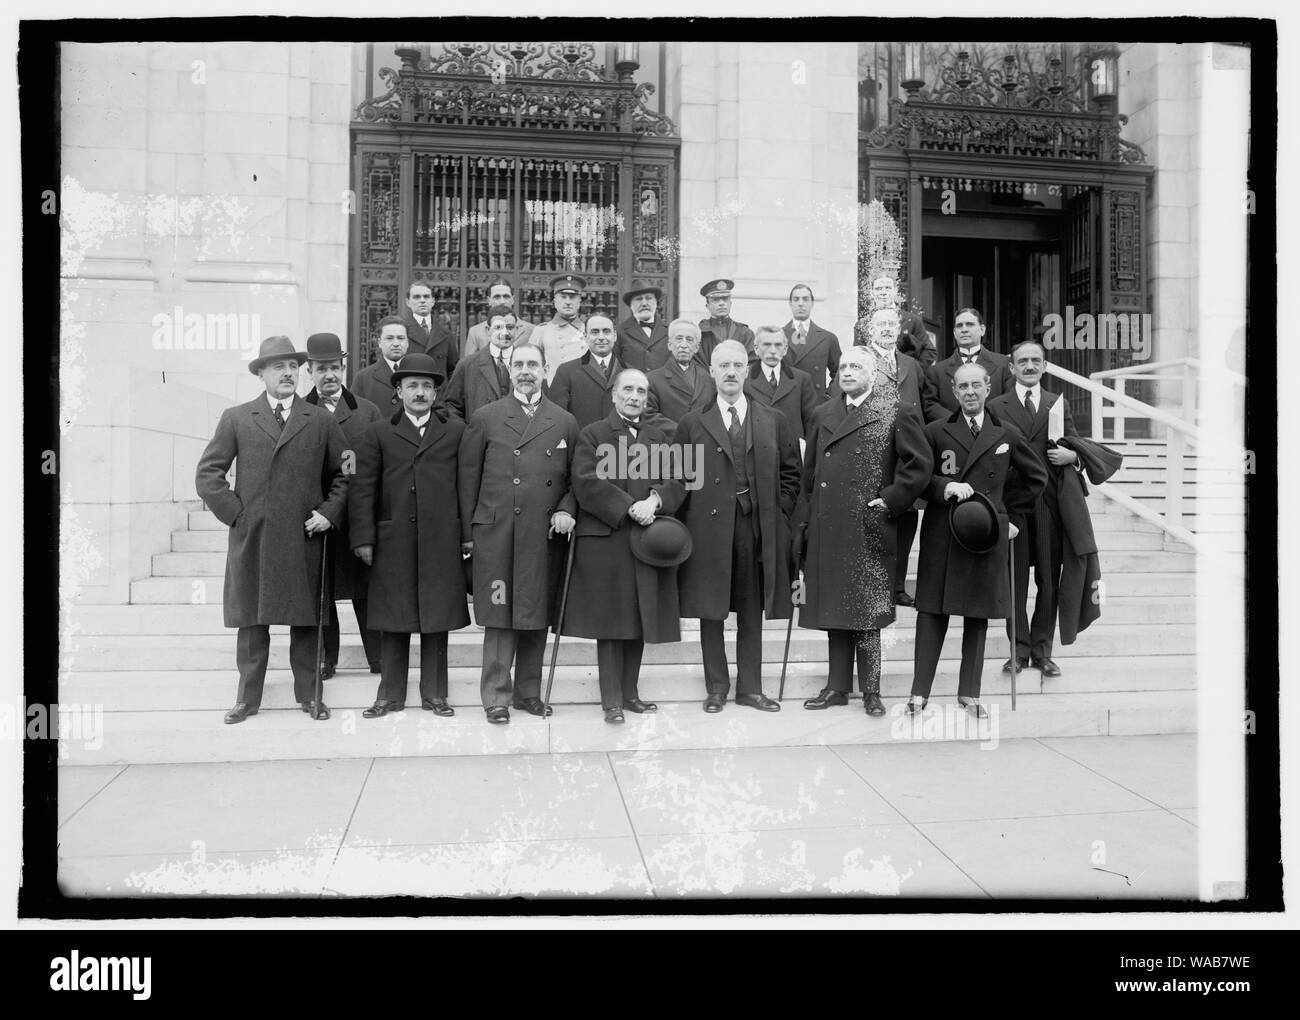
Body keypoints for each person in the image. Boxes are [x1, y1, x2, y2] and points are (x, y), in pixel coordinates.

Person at [195, 335, 349, 724]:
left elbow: (347, 472)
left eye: (293, 366)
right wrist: (237, 514)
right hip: (255, 537)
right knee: (251, 624)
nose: (288, 373)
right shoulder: (237, 417)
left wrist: (329, 512)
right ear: (261, 373)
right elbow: (208, 474)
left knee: (306, 622)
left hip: (303, 537)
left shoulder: (321, 419)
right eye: (278, 366)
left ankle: (311, 696)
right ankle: (247, 700)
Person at [794, 347, 931, 714]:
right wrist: (805, 522)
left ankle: (871, 691)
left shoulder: (894, 411)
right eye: (843, 367)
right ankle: (836, 687)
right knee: (834, 610)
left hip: (869, 525)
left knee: (866, 613)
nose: (847, 372)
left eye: (856, 366)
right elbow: (809, 476)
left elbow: (919, 466)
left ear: (873, 374)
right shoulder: (823, 413)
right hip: (828, 525)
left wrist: (890, 500)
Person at [908, 362, 1047, 718]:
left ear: (988, 388)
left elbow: (1035, 478)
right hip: (943, 532)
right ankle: (918, 693)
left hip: (985, 536)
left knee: (977, 615)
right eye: (962, 386)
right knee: (931, 612)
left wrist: (1012, 519)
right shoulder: (936, 430)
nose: (970, 392)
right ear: (954, 392)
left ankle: (969, 693)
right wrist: (943, 486)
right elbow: (915, 477)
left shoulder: (1006, 434)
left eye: (976, 385)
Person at [674, 340, 802, 713]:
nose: (731, 372)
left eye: (737, 365)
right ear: (711, 372)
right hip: (708, 530)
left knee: (750, 609)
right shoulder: (692, 422)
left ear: (748, 370)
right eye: (723, 366)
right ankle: (716, 687)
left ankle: (750, 688)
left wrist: (776, 511)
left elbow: (792, 474)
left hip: (756, 526)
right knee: (710, 609)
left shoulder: (773, 420)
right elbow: (680, 477)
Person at [458, 341, 580, 724]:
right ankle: (496, 696)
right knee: (499, 615)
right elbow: (467, 478)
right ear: (510, 371)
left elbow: (578, 480)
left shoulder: (564, 421)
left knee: (534, 612)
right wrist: (467, 534)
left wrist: (565, 509)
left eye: (533, 364)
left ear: (545, 370)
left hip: (542, 533)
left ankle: (529, 692)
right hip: (497, 532)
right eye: (519, 364)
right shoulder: (486, 416)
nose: (526, 371)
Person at [349, 353, 469, 718]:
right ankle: (389, 694)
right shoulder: (378, 433)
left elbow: (465, 485)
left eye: (427, 387)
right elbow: (362, 488)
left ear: (436, 394)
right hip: (393, 539)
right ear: (398, 391)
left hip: (441, 539)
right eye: (412, 386)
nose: (419, 393)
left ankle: (435, 693)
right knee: (393, 618)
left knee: (437, 618)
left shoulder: (455, 432)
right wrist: (364, 538)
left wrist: (466, 536)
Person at [563, 369, 686, 723]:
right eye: (628, 389)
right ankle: (611, 700)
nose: (634, 396)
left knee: (639, 618)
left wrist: (655, 501)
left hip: (648, 539)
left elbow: (679, 480)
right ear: (614, 395)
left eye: (641, 391)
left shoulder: (660, 437)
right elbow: (585, 482)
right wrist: (628, 505)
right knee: (612, 623)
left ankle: (631, 693)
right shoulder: (593, 434)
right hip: (608, 539)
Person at [987, 340, 1081, 678]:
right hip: (1013, 504)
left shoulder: (1057, 405)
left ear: (1045, 366)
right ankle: (1018, 650)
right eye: (1022, 361)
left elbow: (1073, 443)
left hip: (1049, 504)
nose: (1029, 366)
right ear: (1011, 367)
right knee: (1015, 581)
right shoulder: (996, 405)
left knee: (1048, 580)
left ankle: (1043, 651)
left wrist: (1073, 456)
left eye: (1035, 361)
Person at [303, 332, 384, 678]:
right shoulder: (300, 410)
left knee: (365, 591)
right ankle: (326, 658)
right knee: (321, 592)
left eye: (334, 367)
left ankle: (378, 657)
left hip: (357, 517)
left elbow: (378, 465)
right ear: (310, 370)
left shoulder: (367, 411)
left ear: (344, 367)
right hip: (315, 515)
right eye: (321, 369)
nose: (329, 375)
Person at [840, 308, 926, 607]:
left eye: (892, 324)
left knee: (907, 519)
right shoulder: (859, 361)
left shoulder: (912, 365)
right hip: (874, 452)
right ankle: (873, 584)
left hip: (908, 451)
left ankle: (898, 586)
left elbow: (925, 404)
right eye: (881, 324)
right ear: (870, 329)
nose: (887, 329)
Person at [921, 307, 1014, 422]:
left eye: (970, 324)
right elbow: (930, 405)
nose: (964, 329)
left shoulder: (1004, 365)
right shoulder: (936, 372)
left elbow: (1010, 402)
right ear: (955, 333)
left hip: (993, 434)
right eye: (959, 326)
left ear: (982, 330)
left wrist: (985, 425)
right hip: (952, 434)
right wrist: (958, 423)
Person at [743, 325, 819, 443]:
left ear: (785, 349)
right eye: (767, 345)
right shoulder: (744, 379)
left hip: (792, 453)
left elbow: (812, 423)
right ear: (756, 348)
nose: (773, 351)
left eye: (778, 345)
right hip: (757, 453)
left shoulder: (802, 379)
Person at [548, 314, 623, 428]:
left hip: (621, 444)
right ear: (585, 336)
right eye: (595, 332)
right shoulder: (566, 371)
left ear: (615, 336)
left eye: (606, 331)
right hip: (582, 443)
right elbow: (556, 418)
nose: (601, 337)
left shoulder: (630, 372)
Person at [444, 311, 518, 422]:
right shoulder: (467, 365)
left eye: (510, 327)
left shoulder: (529, 363)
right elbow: (451, 405)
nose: (505, 333)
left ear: (516, 329)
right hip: (480, 436)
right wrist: (467, 433)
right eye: (498, 327)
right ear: (488, 331)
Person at [645, 318, 716, 433]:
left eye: (689, 339)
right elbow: (648, 415)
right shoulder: (652, 379)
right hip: (668, 446)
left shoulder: (708, 379)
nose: (684, 345)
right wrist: (680, 432)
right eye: (679, 339)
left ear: (697, 347)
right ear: (669, 344)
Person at [782, 283, 841, 401]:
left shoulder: (828, 338)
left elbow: (840, 372)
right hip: (787, 405)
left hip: (816, 405)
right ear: (790, 304)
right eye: (796, 299)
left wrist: (828, 396)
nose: (800, 303)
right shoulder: (778, 337)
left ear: (812, 304)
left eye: (805, 299)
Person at [869, 272, 936, 367]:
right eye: (878, 288)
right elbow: (859, 354)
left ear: (895, 290)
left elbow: (929, 352)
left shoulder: (913, 321)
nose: (883, 292)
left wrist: (911, 371)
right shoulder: (862, 324)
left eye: (888, 288)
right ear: (872, 292)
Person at [533, 274, 588, 383]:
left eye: (572, 297)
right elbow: (532, 363)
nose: (568, 302)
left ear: (579, 302)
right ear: (554, 302)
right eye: (563, 297)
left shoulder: (589, 330)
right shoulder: (541, 331)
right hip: (553, 390)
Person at [463, 279, 534, 358]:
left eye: (506, 297)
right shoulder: (476, 332)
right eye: (497, 297)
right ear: (489, 300)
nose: (502, 301)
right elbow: (469, 365)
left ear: (512, 300)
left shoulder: (530, 330)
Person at [401, 279, 458, 376]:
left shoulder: (446, 334)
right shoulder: (401, 332)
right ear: (408, 302)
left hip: (438, 389)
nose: (422, 300)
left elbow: (453, 369)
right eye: (417, 297)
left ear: (433, 301)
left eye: (426, 297)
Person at [351, 315, 409, 410]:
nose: (396, 343)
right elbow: (355, 416)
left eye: (401, 338)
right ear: (379, 342)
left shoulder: (419, 373)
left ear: (407, 342)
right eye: (389, 338)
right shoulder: (363, 378)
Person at [696, 278, 755, 368]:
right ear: (707, 306)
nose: (721, 303)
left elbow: (752, 363)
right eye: (715, 300)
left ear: (730, 303)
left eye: (725, 299)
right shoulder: (699, 333)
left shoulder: (745, 333)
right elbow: (696, 365)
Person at [614, 280, 670, 373]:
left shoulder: (670, 331)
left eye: (649, 298)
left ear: (656, 302)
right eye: (639, 299)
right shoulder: (619, 332)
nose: (644, 303)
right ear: (631, 305)